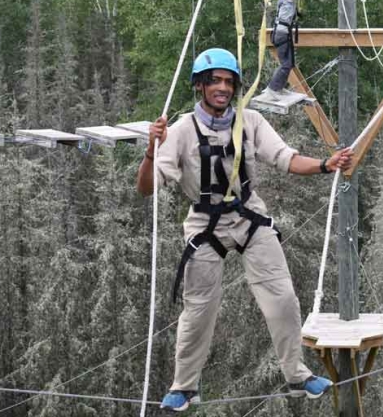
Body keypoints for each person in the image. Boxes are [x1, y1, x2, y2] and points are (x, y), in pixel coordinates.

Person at [137, 48, 351, 412]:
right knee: (198, 310)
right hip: (205, 225)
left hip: (249, 216)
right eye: (215, 81)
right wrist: (150, 151)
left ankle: (297, 375)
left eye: (228, 82)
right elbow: (147, 188)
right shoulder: (180, 131)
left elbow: (285, 158)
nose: (222, 88)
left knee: (282, 297)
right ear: (200, 86)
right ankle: (184, 386)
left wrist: (325, 165)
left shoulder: (249, 122)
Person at [262, 0, 306, 101]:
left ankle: (279, 88)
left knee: (289, 63)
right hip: (282, 34)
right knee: (285, 64)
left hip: (281, 34)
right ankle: (272, 89)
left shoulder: (283, 0)